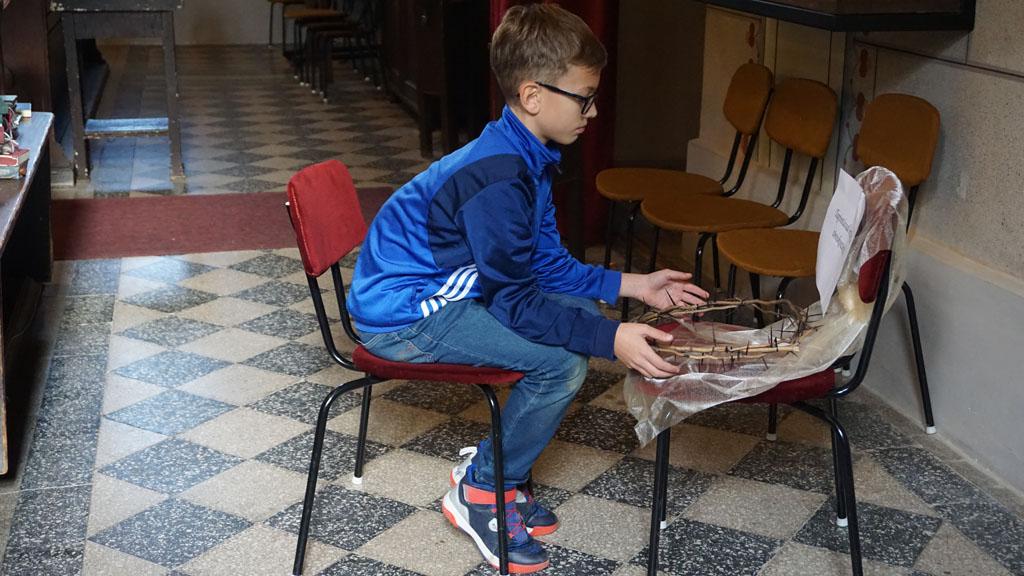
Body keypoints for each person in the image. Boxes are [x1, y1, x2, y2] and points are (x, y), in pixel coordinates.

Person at [348, 4, 707, 572]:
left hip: (445, 293)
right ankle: (484, 489)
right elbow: (514, 299)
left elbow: (547, 266)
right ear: (533, 96)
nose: (593, 111)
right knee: (560, 365)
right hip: (404, 316)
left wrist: (636, 284)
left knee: (575, 310)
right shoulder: (497, 177)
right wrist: (610, 338)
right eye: (584, 97)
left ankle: (498, 467)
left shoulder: (525, 154)